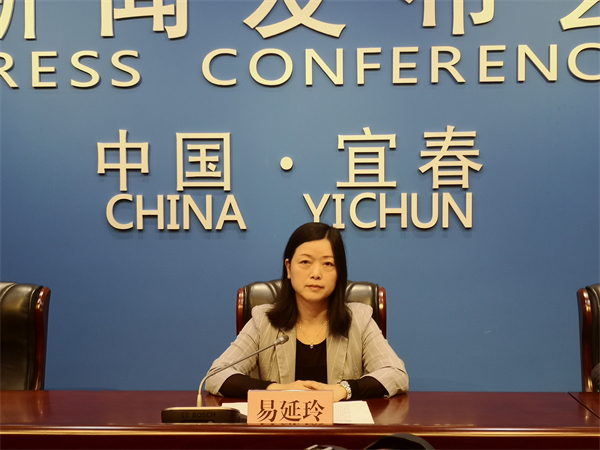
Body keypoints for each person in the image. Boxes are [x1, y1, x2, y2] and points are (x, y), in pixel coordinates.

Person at [205, 222, 409, 401]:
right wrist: (278, 390)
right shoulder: (263, 320)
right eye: (305, 262)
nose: (316, 273)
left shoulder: (359, 319)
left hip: (339, 429)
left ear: (339, 272)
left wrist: (342, 390)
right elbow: (216, 375)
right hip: (281, 429)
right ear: (288, 268)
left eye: (328, 264)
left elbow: (395, 373)